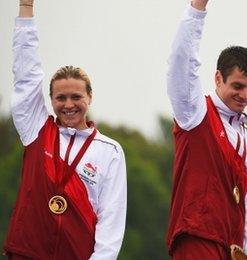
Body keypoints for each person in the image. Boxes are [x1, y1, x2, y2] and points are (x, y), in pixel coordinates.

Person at [3, 1, 128, 259]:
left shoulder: (110, 151)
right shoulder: (37, 130)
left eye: (76, 97)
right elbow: (26, 75)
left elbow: (111, 220)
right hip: (28, 253)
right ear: (51, 100)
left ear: (90, 98)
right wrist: (26, 7)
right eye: (60, 98)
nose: (68, 105)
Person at [165, 0, 247, 259]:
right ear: (218, 78)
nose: (244, 95)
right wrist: (198, 8)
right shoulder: (195, 113)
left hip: (234, 249)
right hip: (197, 239)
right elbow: (181, 63)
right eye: (238, 86)